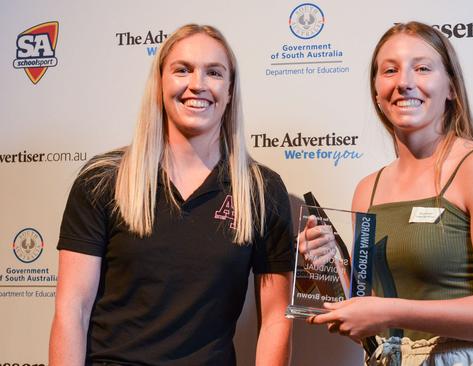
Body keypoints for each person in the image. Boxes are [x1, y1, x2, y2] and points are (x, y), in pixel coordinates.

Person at [49, 24, 293, 366]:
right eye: (182, 70)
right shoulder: (102, 179)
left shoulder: (261, 189)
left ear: (230, 90)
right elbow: (72, 309)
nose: (198, 84)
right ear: (160, 83)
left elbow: (276, 320)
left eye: (214, 72)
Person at [304, 21, 473, 365]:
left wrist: (391, 312)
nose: (404, 82)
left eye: (422, 68)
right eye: (390, 70)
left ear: (451, 88)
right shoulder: (368, 189)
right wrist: (323, 269)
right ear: (377, 92)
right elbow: (364, 319)